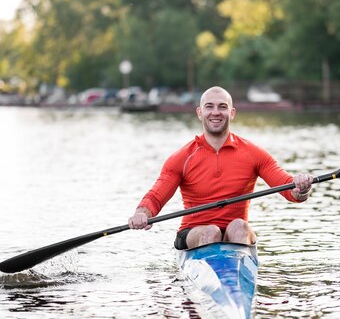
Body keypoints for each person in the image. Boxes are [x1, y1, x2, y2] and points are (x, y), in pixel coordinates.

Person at [128, 86, 314, 250]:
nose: (215, 112)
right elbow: (156, 197)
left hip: (236, 233)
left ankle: (235, 284)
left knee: (239, 227)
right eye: (209, 106)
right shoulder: (181, 158)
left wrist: (301, 188)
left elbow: (288, 188)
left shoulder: (253, 153)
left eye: (222, 107)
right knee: (211, 232)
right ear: (200, 112)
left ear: (232, 113)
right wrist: (141, 214)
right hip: (194, 233)